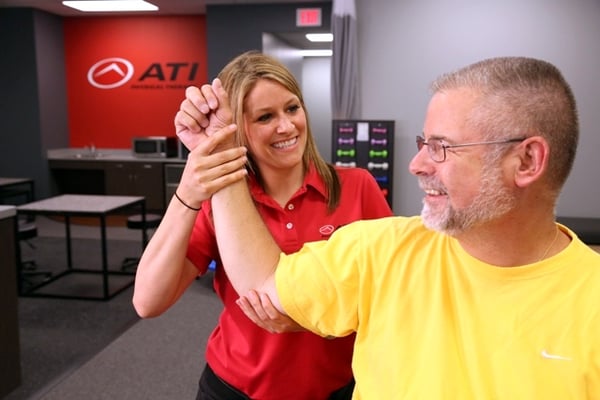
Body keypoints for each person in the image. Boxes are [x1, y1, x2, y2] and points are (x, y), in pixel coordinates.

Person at [187, 56, 600, 399]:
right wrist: (220, 147)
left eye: (441, 147)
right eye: (423, 144)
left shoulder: (590, 303)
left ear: (527, 161)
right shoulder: (382, 251)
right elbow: (263, 285)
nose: (416, 165)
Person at [132, 51, 393, 400]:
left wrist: (316, 322)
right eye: (265, 117)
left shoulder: (356, 187)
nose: (286, 126)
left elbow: (391, 296)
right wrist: (189, 193)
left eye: (292, 108)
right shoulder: (224, 204)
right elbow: (148, 302)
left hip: (335, 388)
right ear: (237, 130)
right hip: (234, 388)